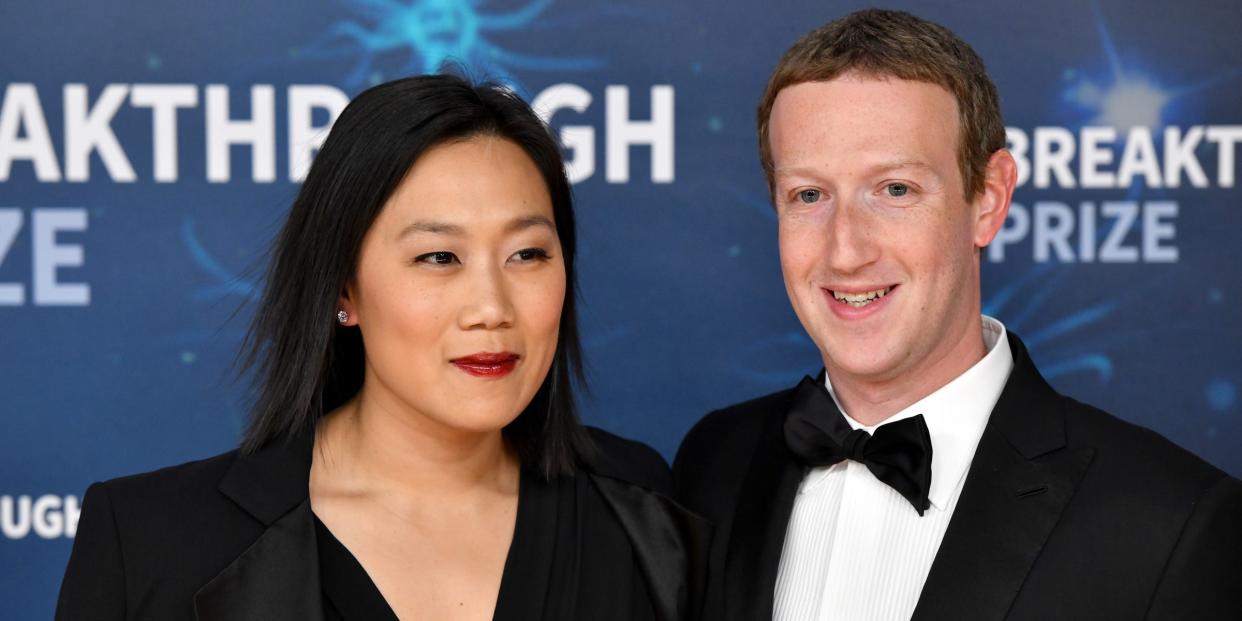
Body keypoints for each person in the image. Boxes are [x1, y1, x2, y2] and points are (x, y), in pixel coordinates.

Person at [56, 74, 707, 621]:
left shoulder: (641, 511)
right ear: (345, 288)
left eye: (527, 253)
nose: (491, 307)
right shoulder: (150, 541)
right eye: (439, 256)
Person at [673, 9, 1242, 620]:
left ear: (988, 200)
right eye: (809, 195)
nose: (846, 250)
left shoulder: (1170, 522)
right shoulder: (714, 465)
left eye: (895, 190)